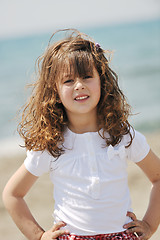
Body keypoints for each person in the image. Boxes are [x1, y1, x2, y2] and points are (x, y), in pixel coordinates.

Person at [2, 29, 160, 240]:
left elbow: (158, 178)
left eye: (87, 76)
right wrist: (39, 236)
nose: (79, 85)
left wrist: (149, 224)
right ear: (54, 91)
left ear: (102, 81)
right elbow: (13, 195)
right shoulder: (52, 144)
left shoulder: (121, 135)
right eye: (68, 81)